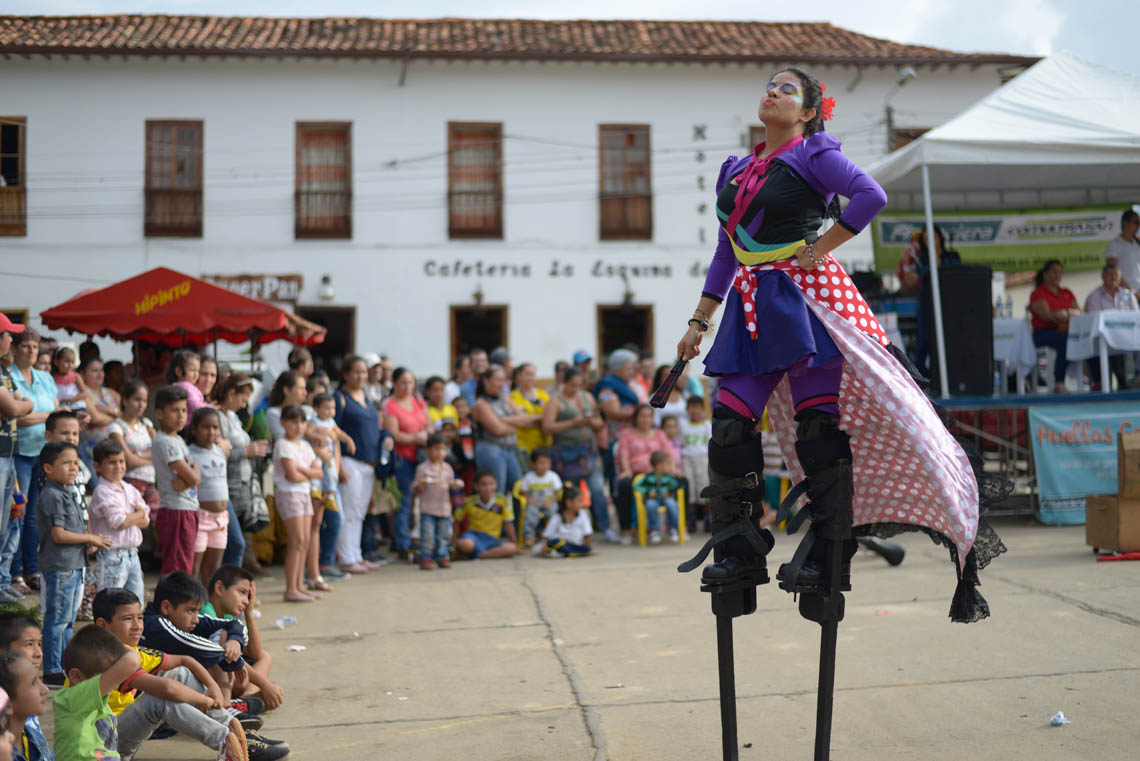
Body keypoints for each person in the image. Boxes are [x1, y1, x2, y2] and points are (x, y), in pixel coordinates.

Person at [675, 67, 989, 624]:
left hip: (806, 301)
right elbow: (728, 251)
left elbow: (871, 195)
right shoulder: (737, 168)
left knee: (817, 427)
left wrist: (821, 246)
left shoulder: (814, 155)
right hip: (750, 305)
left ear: (808, 113)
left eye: (787, 90)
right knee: (727, 426)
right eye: (769, 85)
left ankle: (828, 552)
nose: (772, 92)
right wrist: (699, 321)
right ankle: (741, 555)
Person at [90, 588, 258, 761]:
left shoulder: (131, 650)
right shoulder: (105, 657)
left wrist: (213, 687)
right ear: (103, 625)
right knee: (158, 700)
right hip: (99, 746)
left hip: (118, 733)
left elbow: (185, 660)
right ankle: (226, 740)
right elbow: (166, 688)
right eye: (127, 619)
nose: (137, 626)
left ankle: (230, 728)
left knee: (181, 673)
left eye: (139, 618)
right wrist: (206, 700)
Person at [35, 441, 111, 686]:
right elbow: (58, 534)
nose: (73, 468)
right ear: (48, 468)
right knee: (57, 621)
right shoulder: (52, 494)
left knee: (68, 621)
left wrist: (87, 542)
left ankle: (65, 666)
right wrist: (90, 537)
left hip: (74, 564)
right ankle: (52, 669)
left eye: (75, 463)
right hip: (61, 566)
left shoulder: (66, 490)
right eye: (65, 463)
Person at [139, 572, 248, 710]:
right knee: (195, 661)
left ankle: (226, 707)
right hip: (149, 701)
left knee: (224, 634)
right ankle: (222, 711)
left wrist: (236, 642)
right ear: (166, 607)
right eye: (190, 611)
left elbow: (235, 624)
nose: (196, 619)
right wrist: (235, 659)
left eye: (197, 611)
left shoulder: (184, 620)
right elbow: (197, 646)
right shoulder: (155, 625)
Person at [4, 328, 57, 601]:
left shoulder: (45, 377)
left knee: (37, 514)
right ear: (15, 348)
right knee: (18, 512)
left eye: (35, 346)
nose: (31, 351)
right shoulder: (8, 375)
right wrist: (48, 415)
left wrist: (41, 414)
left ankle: (32, 569)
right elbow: (17, 417)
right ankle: (14, 573)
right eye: (25, 346)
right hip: (19, 452)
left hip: (45, 453)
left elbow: (54, 411)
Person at [333, 356, 389, 574]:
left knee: (359, 512)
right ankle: (346, 558)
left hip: (369, 463)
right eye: (356, 372)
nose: (361, 376)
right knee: (348, 511)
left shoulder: (367, 397)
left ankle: (355, 554)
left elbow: (376, 427)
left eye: (364, 372)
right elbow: (333, 433)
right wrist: (339, 466)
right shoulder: (340, 398)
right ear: (346, 374)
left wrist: (386, 437)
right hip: (350, 461)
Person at [542, 367, 611, 541]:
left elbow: (599, 422)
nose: (576, 389)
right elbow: (547, 427)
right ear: (563, 383)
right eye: (572, 385)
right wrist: (573, 422)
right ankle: (566, 528)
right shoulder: (556, 401)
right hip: (566, 453)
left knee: (597, 491)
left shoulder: (587, 397)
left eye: (579, 385)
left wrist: (590, 421)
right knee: (570, 494)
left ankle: (605, 527)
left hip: (588, 450)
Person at [51, 624, 140, 759]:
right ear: (76, 677)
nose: (112, 684)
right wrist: (123, 648)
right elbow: (132, 661)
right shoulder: (72, 699)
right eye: (107, 678)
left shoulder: (98, 702)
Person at [203, 566, 284, 711]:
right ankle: (237, 702)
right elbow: (224, 654)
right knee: (225, 640)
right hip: (206, 677)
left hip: (224, 676)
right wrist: (264, 684)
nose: (246, 601)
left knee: (265, 656)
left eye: (249, 596)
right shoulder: (205, 612)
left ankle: (246, 699)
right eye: (242, 592)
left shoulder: (228, 616)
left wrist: (249, 614)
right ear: (220, 588)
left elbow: (255, 653)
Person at [273, 405, 325, 602]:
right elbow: (291, 475)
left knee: (304, 541)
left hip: (303, 493)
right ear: (283, 423)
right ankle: (290, 588)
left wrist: (302, 471)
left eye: (302, 422)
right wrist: (306, 472)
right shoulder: (283, 444)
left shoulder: (304, 446)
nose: (299, 426)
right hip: (289, 494)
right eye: (294, 422)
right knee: (296, 541)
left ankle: (299, 585)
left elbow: (318, 472)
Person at [217, 374, 266, 575]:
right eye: (243, 399)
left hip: (240, 485)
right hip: (225, 485)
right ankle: (231, 590)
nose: (244, 404)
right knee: (234, 543)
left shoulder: (233, 417)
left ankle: (234, 591)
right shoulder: (219, 417)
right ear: (231, 394)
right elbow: (220, 453)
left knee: (234, 542)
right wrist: (247, 451)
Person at [88, 439, 148, 604]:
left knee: (136, 601)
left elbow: (146, 521)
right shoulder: (102, 491)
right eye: (111, 462)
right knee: (111, 602)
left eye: (121, 461)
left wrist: (136, 517)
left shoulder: (129, 488)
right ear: (97, 466)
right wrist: (138, 514)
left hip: (133, 554)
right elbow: (119, 522)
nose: (118, 466)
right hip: (112, 556)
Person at [0, 319, 33, 606]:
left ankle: (2, 581)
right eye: (9, 336)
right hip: (1, 457)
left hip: (7, 456)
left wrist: (20, 404)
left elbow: (25, 403)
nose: (11, 341)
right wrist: (19, 404)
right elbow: (15, 407)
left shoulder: (5, 371)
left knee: (10, 520)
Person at [383, 368, 432, 559]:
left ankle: (413, 537)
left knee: (418, 502)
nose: (407, 386)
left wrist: (425, 434)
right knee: (403, 502)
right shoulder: (390, 405)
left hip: (420, 458)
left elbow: (429, 423)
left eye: (410, 382)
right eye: (403, 382)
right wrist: (415, 438)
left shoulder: (417, 401)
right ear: (394, 384)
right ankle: (402, 542)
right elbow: (393, 434)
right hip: (403, 459)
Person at [152, 385, 201, 575]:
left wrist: (191, 477)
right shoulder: (165, 441)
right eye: (174, 410)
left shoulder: (178, 440)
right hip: (176, 510)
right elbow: (194, 476)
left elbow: (195, 473)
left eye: (184, 410)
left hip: (187, 506)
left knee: (184, 563)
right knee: (176, 567)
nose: (181, 416)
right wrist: (192, 477)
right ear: (160, 413)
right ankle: (170, 604)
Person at [471, 367, 538, 497]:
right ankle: (495, 517)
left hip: (510, 449)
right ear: (486, 381)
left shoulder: (505, 398)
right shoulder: (481, 404)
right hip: (491, 449)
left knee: (518, 489)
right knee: (496, 490)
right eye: (498, 380)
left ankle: (518, 517)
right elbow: (498, 430)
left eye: (504, 380)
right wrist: (515, 423)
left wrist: (503, 420)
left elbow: (525, 419)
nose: (502, 384)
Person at [616, 404, 677, 542]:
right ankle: (627, 529)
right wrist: (627, 471)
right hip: (637, 474)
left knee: (681, 482)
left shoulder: (660, 434)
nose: (645, 419)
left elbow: (669, 454)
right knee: (624, 484)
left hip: (660, 475)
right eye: (642, 416)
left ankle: (678, 527)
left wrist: (673, 470)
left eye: (649, 416)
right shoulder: (627, 434)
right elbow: (624, 455)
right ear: (636, 418)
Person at [187, 408, 230, 588]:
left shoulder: (220, 452)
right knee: (194, 567)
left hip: (220, 518)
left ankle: (208, 608)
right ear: (194, 429)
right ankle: (192, 605)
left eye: (215, 427)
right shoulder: (189, 453)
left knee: (213, 568)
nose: (211, 432)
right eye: (206, 427)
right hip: (201, 517)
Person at [308, 392, 346, 586]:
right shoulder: (313, 421)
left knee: (331, 520)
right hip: (317, 465)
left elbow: (340, 435)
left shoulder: (331, 422)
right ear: (316, 409)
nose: (331, 412)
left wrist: (350, 441)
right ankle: (317, 569)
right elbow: (306, 435)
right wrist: (317, 435)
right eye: (327, 408)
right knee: (315, 523)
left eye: (333, 408)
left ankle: (323, 566)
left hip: (330, 463)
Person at [1084, 262, 1138, 390]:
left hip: (1126, 338)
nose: (1114, 278)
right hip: (1103, 340)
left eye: (1116, 275)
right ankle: (1102, 382)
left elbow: (1136, 317)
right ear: (1103, 276)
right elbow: (1094, 321)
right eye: (1110, 274)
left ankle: (1134, 378)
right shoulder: (1094, 297)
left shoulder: (1127, 295)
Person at [1029, 259, 1081, 393]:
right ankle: (1059, 383)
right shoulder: (1038, 293)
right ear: (1045, 274)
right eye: (1054, 272)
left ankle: (1097, 381)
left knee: (1087, 339)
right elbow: (1047, 316)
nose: (1057, 275)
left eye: (1060, 272)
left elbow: (1079, 312)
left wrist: (1065, 314)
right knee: (1066, 342)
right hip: (1043, 333)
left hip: (1067, 330)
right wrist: (1064, 315)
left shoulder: (1066, 292)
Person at [108, 380, 158, 516]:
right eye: (137, 400)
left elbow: (160, 451)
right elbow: (128, 460)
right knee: (134, 521)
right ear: (125, 400)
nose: (141, 405)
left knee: (155, 520)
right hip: (130, 481)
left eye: (144, 401)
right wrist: (151, 457)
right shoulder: (116, 427)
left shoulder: (147, 424)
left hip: (151, 481)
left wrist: (137, 456)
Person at [411, 434, 461, 570]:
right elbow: (415, 488)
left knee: (443, 535)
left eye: (443, 449)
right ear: (428, 450)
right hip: (428, 509)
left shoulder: (447, 468)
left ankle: (442, 556)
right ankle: (426, 557)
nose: (440, 453)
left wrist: (455, 484)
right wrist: (420, 485)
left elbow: (451, 484)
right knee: (427, 535)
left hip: (444, 509)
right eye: (436, 449)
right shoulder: (422, 468)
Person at [595, 348, 639, 500]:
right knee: (617, 476)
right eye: (629, 367)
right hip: (615, 440)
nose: (633, 370)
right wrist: (639, 415)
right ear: (618, 368)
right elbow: (612, 412)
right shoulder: (607, 387)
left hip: (633, 438)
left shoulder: (630, 385)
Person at [452, 470, 520, 559]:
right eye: (483, 484)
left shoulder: (503, 501)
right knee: (465, 544)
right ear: (476, 486)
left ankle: (477, 555)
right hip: (473, 537)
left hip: (493, 540)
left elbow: (508, 524)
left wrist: (515, 543)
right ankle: (481, 553)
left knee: (511, 548)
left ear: (496, 485)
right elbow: (457, 520)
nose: (487, 488)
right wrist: (454, 539)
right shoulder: (468, 502)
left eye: (491, 484)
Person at [0, 654, 50, 761]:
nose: (45, 689)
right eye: (33, 683)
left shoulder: (34, 737)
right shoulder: (3, 753)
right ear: (8, 704)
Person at [76, 357, 118, 467]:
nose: (100, 374)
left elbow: (124, 415)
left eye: (101, 370)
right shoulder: (81, 393)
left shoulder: (111, 392)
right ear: (83, 374)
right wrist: (114, 415)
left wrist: (106, 410)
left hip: (113, 449)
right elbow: (96, 419)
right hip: (91, 451)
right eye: (95, 371)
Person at [516, 448, 562, 547]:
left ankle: (554, 535)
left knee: (554, 514)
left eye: (547, 463)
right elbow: (523, 492)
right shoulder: (529, 477)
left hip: (549, 503)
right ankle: (529, 536)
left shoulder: (553, 476)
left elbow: (558, 493)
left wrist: (550, 501)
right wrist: (529, 499)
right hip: (535, 504)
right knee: (530, 515)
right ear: (533, 464)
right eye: (541, 463)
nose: (545, 466)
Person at [634, 451, 682, 544]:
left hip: (667, 498)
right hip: (653, 499)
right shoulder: (648, 477)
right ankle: (654, 530)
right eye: (667, 464)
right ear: (658, 466)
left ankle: (673, 529)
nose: (669, 467)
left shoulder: (669, 477)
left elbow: (677, 486)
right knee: (650, 505)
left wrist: (669, 491)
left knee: (672, 504)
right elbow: (637, 486)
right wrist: (647, 492)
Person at [679, 396, 712, 530]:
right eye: (691, 407)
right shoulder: (683, 424)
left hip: (703, 459)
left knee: (703, 486)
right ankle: (691, 518)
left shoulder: (707, 425)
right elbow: (680, 442)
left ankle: (706, 518)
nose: (694, 411)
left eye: (697, 407)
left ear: (702, 409)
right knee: (690, 487)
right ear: (687, 409)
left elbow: (710, 443)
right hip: (687, 459)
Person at [509, 363, 551, 459]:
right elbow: (522, 422)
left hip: (543, 447)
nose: (531, 378)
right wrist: (542, 419)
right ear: (519, 376)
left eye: (533, 375)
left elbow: (551, 418)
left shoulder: (543, 395)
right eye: (528, 374)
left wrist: (531, 420)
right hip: (523, 447)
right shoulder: (512, 397)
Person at [539, 486, 593, 558]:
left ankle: (568, 552)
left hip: (574, 545)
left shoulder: (582, 514)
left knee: (585, 548)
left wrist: (589, 548)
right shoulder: (557, 516)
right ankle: (568, 552)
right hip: (560, 544)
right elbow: (546, 536)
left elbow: (588, 534)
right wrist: (543, 548)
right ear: (569, 502)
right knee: (558, 543)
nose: (582, 504)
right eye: (579, 501)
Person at [265, 371, 308, 442]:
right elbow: (284, 439)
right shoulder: (274, 413)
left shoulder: (309, 410)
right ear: (287, 390)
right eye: (301, 388)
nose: (305, 393)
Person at [1104, 209, 1140, 291]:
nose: (1138, 226)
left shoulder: (1137, 243)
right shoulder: (1114, 244)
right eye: (1136, 223)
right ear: (1125, 223)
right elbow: (1112, 273)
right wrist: (1132, 291)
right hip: (1125, 292)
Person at [167, 349, 206, 421]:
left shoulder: (178, 386)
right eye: (192, 370)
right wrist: (210, 407)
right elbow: (195, 406)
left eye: (197, 371)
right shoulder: (185, 386)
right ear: (178, 371)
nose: (196, 374)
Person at [50, 347, 85, 411]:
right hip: (60, 408)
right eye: (67, 361)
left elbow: (85, 393)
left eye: (72, 362)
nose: (70, 365)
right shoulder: (52, 377)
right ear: (56, 362)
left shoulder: (76, 376)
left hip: (77, 407)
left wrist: (70, 400)